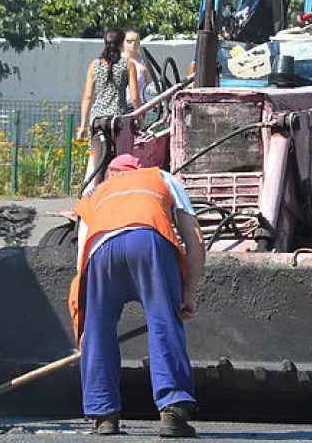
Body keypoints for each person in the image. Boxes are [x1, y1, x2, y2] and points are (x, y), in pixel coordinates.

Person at [69, 154, 206, 438]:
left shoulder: (95, 193)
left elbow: (81, 262)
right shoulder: (161, 178)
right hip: (149, 241)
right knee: (163, 323)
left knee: (99, 329)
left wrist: (83, 323)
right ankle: (173, 411)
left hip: (101, 252)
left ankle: (103, 414)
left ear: (111, 174)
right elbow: (195, 239)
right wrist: (189, 293)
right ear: (138, 170)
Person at [76, 28, 141, 187]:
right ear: (121, 44)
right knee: (120, 162)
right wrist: (141, 120)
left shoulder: (94, 65)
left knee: (97, 164)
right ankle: (116, 195)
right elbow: (134, 97)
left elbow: (87, 97)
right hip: (118, 120)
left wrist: (83, 125)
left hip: (97, 120)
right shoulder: (128, 65)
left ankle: (94, 197)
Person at [123, 29, 151, 112]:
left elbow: (150, 85)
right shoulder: (119, 61)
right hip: (124, 105)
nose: (133, 44)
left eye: (136, 41)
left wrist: (146, 72)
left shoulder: (144, 61)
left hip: (141, 104)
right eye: (129, 41)